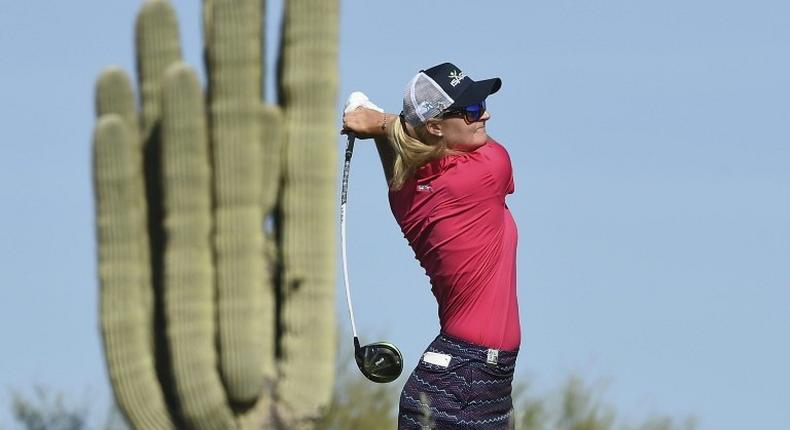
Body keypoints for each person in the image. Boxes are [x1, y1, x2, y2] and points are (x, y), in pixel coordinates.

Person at [342, 62, 521, 429]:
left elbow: (405, 158)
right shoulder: (486, 171)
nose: (484, 114)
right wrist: (380, 122)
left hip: (478, 382)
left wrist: (378, 125)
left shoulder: (405, 193)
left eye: (481, 103)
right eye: (470, 110)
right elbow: (402, 142)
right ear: (436, 126)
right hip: (458, 382)